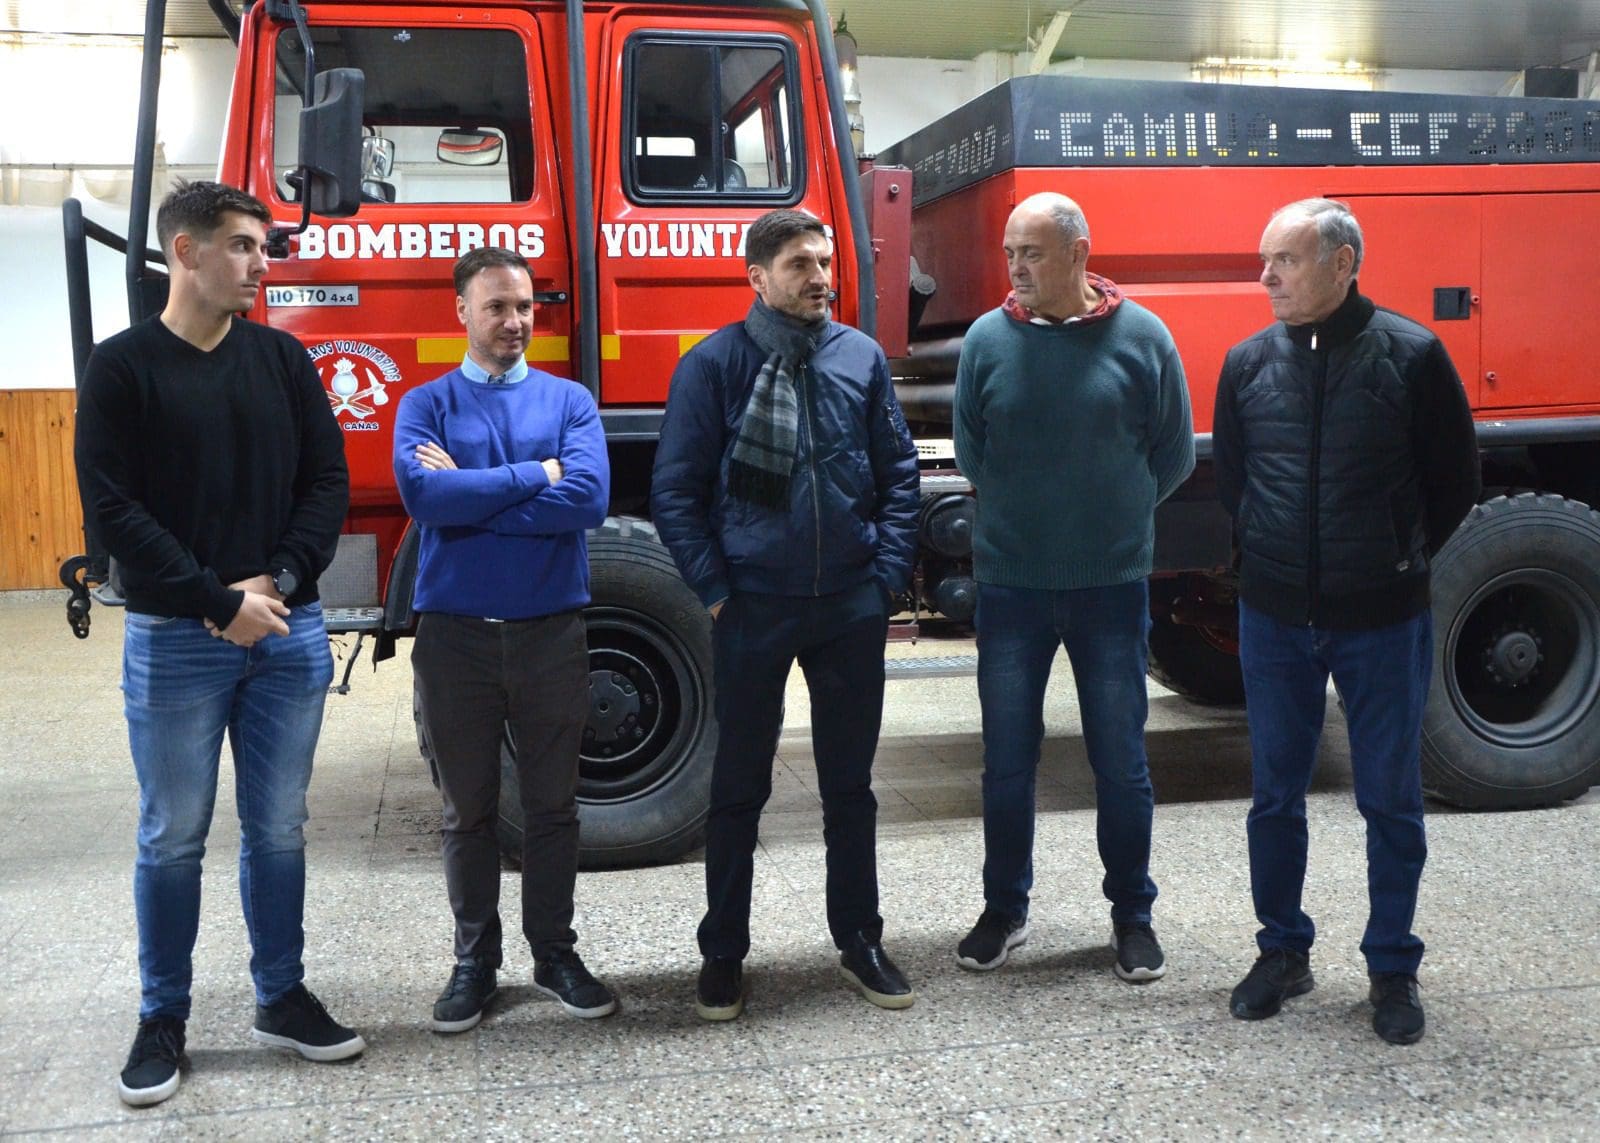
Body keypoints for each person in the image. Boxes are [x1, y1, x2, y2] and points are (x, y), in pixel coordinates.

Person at [75, 180, 363, 1109]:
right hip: (177, 637)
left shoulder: (283, 360)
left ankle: (280, 995)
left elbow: (327, 480)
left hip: (285, 628)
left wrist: (271, 584)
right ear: (187, 253)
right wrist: (212, 599)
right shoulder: (122, 369)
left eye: (262, 247)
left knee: (278, 828)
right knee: (173, 835)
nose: (260, 264)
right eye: (243, 246)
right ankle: (164, 1016)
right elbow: (117, 510)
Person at [1213, 198, 1479, 1045]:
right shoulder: (1247, 363)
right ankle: (1283, 951)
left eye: (1284, 262)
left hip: (1381, 618)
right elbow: (1237, 481)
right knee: (1274, 797)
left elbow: (1453, 482)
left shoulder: (1413, 355)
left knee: (1391, 799)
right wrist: (1272, 561)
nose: (1266, 278)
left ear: (1342, 263)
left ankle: (1392, 966)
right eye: (1266, 261)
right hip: (1276, 617)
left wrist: (1395, 558)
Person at [652, 209, 921, 1020]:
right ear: (757, 277)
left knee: (851, 786)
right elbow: (676, 491)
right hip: (755, 606)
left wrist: (881, 578)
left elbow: (898, 473)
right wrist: (718, 589)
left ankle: (861, 939)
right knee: (737, 788)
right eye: (801, 263)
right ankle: (724, 953)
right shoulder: (713, 366)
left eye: (825, 261)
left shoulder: (859, 357)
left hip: (847, 604)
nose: (820, 277)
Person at [952, 192, 1194, 982]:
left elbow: (1174, 455)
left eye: (1033, 253)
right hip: (1012, 585)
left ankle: (1132, 914)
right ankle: (1004, 909)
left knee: (1121, 760)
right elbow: (971, 449)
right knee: (1005, 760)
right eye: (1010, 253)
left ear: (1080, 254)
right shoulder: (987, 340)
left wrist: (1110, 519)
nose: (1016, 268)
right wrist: (1029, 520)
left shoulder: (1144, 337)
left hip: (1110, 587)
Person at [393, 246, 616, 1033]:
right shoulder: (424, 404)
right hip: (455, 641)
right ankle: (473, 961)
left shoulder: (570, 400)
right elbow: (424, 493)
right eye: (496, 306)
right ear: (461, 311)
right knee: (468, 810)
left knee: (555, 806)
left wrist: (472, 495)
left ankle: (554, 951)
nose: (514, 321)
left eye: (524, 306)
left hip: (551, 632)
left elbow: (588, 500)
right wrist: (535, 476)